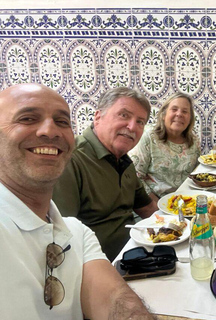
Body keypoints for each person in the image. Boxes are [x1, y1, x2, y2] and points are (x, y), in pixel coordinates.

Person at [0, 83, 153, 319]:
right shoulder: (76, 163)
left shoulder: (74, 231)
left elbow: (117, 304)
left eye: (62, 122)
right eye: (28, 118)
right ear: (98, 118)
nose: (49, 131)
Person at [53, 87, 158, 261]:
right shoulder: (70, 160)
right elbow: (63, 239)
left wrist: (186, 224)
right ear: (98, 117)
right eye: (124, 115)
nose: (132, 126)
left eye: (140, 122)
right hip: (100, 267)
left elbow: (147, 208)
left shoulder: (123, 160)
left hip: (135, 252)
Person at [129, 92, 200, 202]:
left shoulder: (193, 140)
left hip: (185, 202)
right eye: (174, 109)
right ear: (163, 115)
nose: (179, 114)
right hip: (152, 203)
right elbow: (134, 177)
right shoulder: (148, 137)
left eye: (185, 111)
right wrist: (155, 206)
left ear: (190, 119)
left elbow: (196, 174)